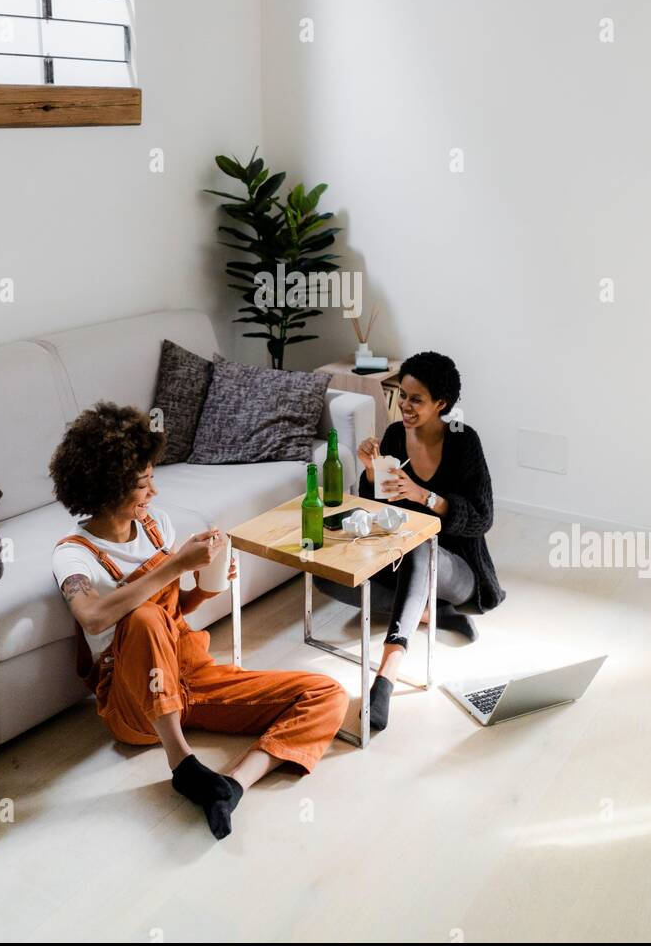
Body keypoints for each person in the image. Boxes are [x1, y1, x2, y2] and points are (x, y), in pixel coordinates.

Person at [50, 401, 348, 840]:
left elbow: (176, 611)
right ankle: (182, 763)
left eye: (152, 478)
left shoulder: (157, 527)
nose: (152, 492)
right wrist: (173, 566)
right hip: (133, 701)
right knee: (144, 617)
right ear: (108, 488)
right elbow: (94, 619)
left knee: (327, 694)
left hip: (190, 675)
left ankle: (231, 785)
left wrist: (205, 587)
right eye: (142, 482)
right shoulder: (73, 554)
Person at [314, 351, 505, 731]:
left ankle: (386, 673)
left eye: (416, 399)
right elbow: (377, 506)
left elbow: (483, 519)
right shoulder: (395, 436)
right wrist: (370, 474)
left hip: (457, 567)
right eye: (402, 395)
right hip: (399, 555)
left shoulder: (464, 442)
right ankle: (430, 613)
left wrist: (425, 497)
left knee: (422, 542)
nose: (404, 405)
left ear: (441, 404)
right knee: (324, 573)